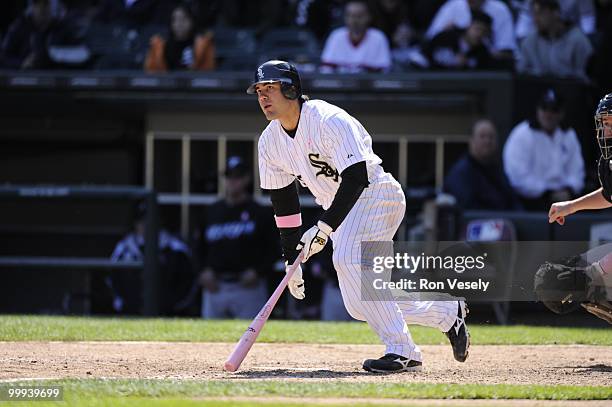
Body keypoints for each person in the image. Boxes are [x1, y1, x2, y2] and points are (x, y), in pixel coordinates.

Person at [249, 59, 469, 373]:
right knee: (359, 303)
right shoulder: (269, 142)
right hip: (343, 212)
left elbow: (356, 176)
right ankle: (447, 312)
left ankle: (403, 351)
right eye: (259, 91)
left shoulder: (327, 119)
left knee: (348, 261)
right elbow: (284, 202)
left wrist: (323, 227)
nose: (263, 97)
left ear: (291, 89)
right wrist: (290, 257)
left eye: (270, 88)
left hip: (376, 195)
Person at [541, 92, 612, 325]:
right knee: (573, 271)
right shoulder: (608, 161)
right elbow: (609, 194)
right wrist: (571, 206)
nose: (606, 129)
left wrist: (594, 273)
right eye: (604, 123)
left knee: (588, 277)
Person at [198, 156, 277, 319]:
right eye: (229, 176)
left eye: (238, 177)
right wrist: (202, 272)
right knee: (211, 339)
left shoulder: (259, 212)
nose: (233, 181)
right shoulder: (212, 212)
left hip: (248, 287)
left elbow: (274, 248)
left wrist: (259, 271)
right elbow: (198, 247)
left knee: (250, 337)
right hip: (216, 285)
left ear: (247, 179)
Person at [503, 89, 585, 211]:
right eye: (544, 108)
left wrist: (569, 189)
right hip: (531, 203)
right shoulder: (521, 134)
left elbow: (577, 172)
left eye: (554, 110)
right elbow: (517, 177)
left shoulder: (568, 134)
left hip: (567, 200)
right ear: (537, 110)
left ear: (562, 113)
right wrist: (547, 193)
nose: (548, 114)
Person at [109, 203, 194, 315]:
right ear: (135, 223)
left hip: (168, 314)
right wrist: (125, 304)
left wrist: (172, 306)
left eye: (150, 221)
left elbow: (188, 281)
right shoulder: (123, 248)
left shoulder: (176, 248)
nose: (146, 225)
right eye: (142, 221)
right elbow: (112, 278)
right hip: (130, 313)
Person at [444, 119, 522, 210]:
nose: (487, 141)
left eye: (491, 137)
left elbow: (513, 202)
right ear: (471, 141)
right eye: (482, 136)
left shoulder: (498, 171)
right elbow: (467, 208)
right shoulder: (461, 172)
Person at [516, 0, 593, 81]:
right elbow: (521, 73)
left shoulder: (578, 40)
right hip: (539, 90)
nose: (536, 19)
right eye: (534, 14)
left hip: (570, 91)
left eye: (540, 13)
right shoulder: (530, 42)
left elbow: (586, 77)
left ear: (556, 13)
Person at [320, 0, 391, 73]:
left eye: (359, 16)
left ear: (369, 16)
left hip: (368, 84)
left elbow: (383, 72)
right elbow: (326, 69)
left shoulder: (378, 37)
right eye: (350, 15)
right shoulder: (336, 36)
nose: (354, 20)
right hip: (340, 84)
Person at [425, 0, 516, 56]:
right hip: (451, 67)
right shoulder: (453, 5)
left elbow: (506, 51)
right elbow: (430, 39)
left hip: (486, 69)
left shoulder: (500, 9)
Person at [144, 3, 214, 72]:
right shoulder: (158, 43)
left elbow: (208, 72)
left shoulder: (203, 43)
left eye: (183, 19)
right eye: (175, 20)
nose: (179, 24)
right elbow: (151, 72)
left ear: (192, 21)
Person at [421, 10, 494, 70]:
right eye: (477, 29)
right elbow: (425, 55)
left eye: (484, 31)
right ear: (468, 26)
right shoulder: (445, 38)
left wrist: (466, 63)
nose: (479, 34)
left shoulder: (482, 52)